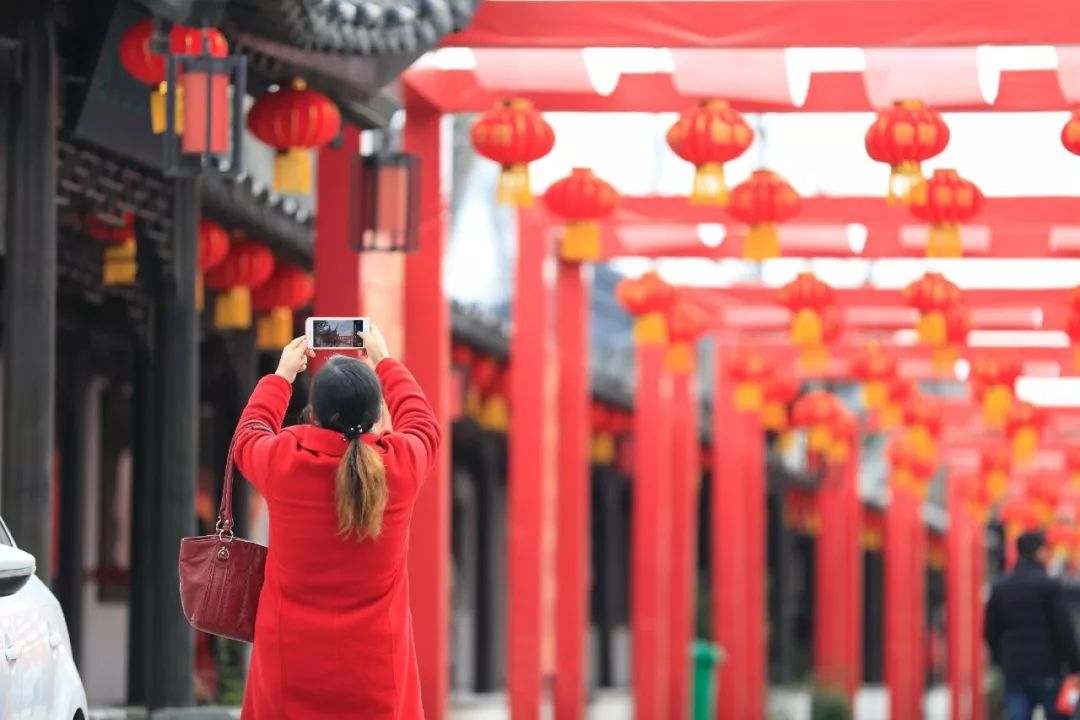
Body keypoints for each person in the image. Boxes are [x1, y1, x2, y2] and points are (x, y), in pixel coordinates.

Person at [233, 325, 440, 719]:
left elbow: (248, 436)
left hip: (289, 671)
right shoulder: (399, 470)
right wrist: (385, 361)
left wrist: (281, 377)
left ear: (314, 413)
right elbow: (424, 426)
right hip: (375, 675)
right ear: (379, 411)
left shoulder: (285, 464)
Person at [985, 530, 1080, 719]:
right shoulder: (1049, 586)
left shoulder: (1001, 587)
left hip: (1013, 670)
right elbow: (1063, 630)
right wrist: (1074, 667)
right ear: (1039, 552)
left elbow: (990, 630)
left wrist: (1001, 659)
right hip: (1048, 669)